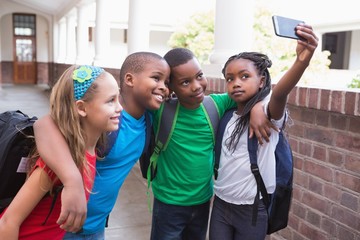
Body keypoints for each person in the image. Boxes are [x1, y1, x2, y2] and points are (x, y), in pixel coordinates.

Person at [32, 52, 170, 239]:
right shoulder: (105, 119)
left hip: (96, 226)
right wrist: (73, 181)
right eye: (156, 78)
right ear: (129, 79)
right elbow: (44, 124)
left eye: (167, 82)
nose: (164, 88)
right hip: (64, 227)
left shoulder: (150, 117)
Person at [149, 48, 275, 240]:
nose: (196, 86)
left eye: (199, 76)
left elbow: (256, 92)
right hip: (168, 204)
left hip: (202, 202)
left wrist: (258, 106)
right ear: (171, 87)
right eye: (185, 82)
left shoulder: (216, 104)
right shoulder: (160, 110)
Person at [209, 24, 318, 240]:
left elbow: (279, 94)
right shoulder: (228, 115)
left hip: (251, 208)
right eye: (230, 79)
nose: (235, 83)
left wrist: (302, 61)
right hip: (221, 203)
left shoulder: (268, 116)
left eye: (244, 76)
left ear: (261, 81)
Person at [0, 65, 122, 239]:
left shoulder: (90, 149)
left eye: (119, 98)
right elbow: (8, 222)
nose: (120, 108)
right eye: (111, 100)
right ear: (81, 108)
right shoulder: (57, 164)